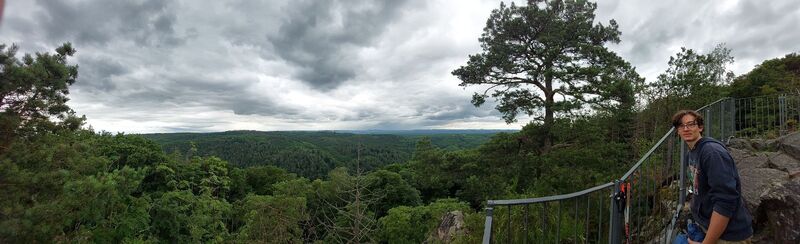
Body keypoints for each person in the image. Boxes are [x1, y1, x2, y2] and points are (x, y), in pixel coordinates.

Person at [673, 110, 753, 244]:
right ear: (678, 131)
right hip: (705, 226)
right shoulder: (692, 153)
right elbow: (699, 188)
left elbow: (725, 201)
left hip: (728, 235)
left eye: (691, 124)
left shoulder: (712, 153)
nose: (686, 128)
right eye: (681, 126)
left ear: (700, 127)